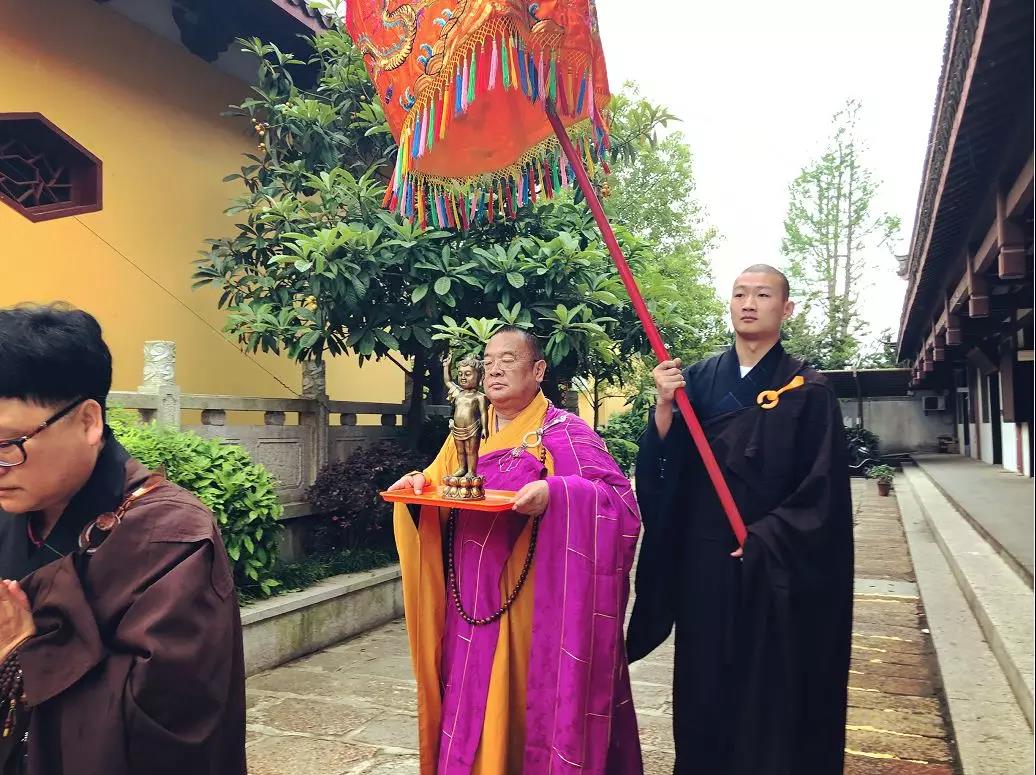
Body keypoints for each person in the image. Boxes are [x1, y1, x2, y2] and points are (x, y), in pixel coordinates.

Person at [626, 265, 854, 775]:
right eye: (739, 294)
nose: (749, 303)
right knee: (703, 683)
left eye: (763, 294)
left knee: (768, 685)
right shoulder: (698, 380)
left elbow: (822, 493)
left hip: (773, 564)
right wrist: (664, 408)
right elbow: (665, 467)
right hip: (705, 561)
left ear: (786, 309)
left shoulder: (808, 390)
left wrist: (767, 537)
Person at [0, 305, 246, 775]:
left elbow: (167, 734)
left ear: (89, 421)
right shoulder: (13, 505)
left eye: (6, 444)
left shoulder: (171, 538)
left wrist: (20, 657)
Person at [387, 327, 643, 774]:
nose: (495, 369)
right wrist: (415, 485)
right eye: (488, 361)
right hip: (468, 597)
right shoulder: (467, 429)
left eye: (508, 359)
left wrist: (558, 494)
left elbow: (617, 504)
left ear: (538, 369)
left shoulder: (565, 431)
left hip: (532, 603)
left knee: (526, 697)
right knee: (472, 694)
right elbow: (437, 482)